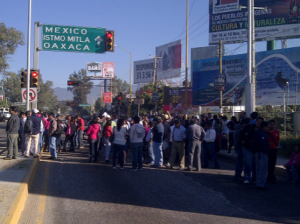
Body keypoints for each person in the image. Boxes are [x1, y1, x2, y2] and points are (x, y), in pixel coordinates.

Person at [254, 121, 269, 190]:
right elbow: (262, 144)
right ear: (264, 127)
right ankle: (261, 184)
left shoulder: (258, 132)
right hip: (262, 153)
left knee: (258, 168)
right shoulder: (262, 134)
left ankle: (258, 182)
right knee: (263, 169)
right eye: (267, 127)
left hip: (257, 152)